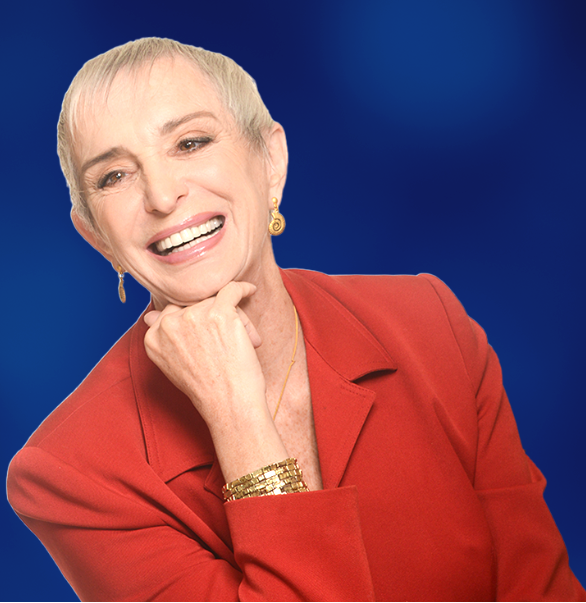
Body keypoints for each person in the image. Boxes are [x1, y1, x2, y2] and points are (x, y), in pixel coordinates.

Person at [6, 37, 585, 602]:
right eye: (114, 176)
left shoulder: (429, 323)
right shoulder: (71, 472)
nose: (161, 195)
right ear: (96, 236)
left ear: (271, 161)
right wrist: (236, 415)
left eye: (190, 142)